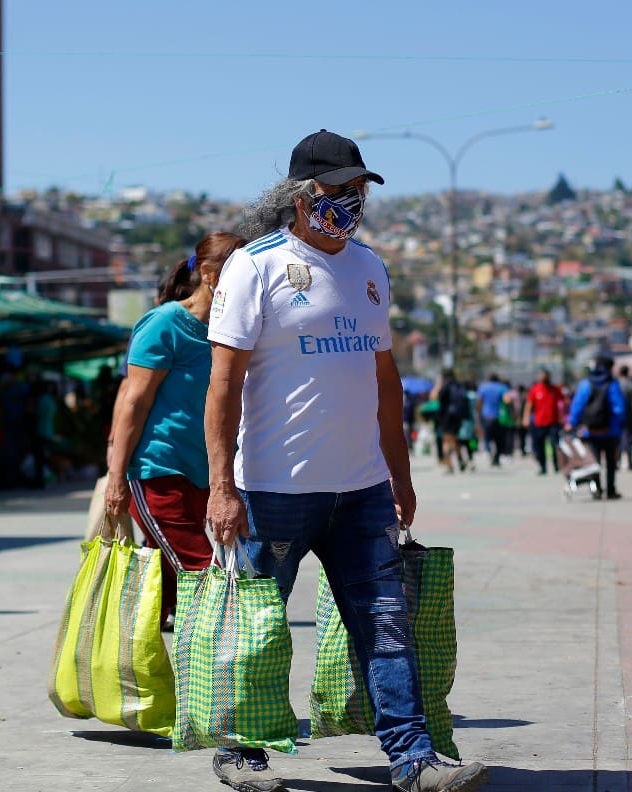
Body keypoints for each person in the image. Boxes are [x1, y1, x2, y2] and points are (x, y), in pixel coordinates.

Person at [205, 130, 487, 792]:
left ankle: (413, 758)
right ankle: (242, 750)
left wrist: (400, 476)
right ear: (302, 196)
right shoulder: (255, 266)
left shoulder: (369, 269)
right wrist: (221, 486)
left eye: (359, 190)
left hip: (361, 491)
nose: (352, 202)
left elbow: (385, 382)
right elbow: (223, 384)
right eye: (339, 190)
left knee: (388, 626)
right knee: (258, 632)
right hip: (272, 491)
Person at [104, 232, 246, 627]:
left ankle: (147, 626)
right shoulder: (165, 323)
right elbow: (133, 401)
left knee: (163, 565)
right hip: (159, 470)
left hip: (204, 473)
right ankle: (231, 640)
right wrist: (116, 476)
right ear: (209, 274)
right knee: (202, 570)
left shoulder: (232, 331)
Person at [566, 356, 627, 500]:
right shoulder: (612, 384)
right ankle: (610, 489)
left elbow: (577, 406)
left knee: (594, 462)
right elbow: (619, 408)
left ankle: (597, 489)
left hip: (590, 431)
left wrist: (572, 423)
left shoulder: (585, 384)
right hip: (611, 431)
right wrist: (617, 424)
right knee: (611, 462)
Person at [523, 368, 563, 476]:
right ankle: (542, 467)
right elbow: (529, 404)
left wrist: (563, 417)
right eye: (542, 375)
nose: (544, 377)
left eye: (546, 375)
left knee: (555, 445)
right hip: (539, 423)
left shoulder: (555, 389)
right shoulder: (535, 389)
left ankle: (557, 466)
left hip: (553, 423)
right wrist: (526, 418)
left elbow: (562, 403)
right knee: (539, 447)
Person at [434, 369, 469, 473]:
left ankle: (449, 465)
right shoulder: (459, 385)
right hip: (458, 417)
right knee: (454, 439)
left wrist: (438, 385)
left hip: (446, 417)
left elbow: (435, 397)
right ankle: (460, 459)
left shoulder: (445, 386)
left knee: (446, 441)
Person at [476, 372, 509, 466]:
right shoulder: (502, 387)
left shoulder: (483, 388)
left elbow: (479, 402)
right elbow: (507, 400)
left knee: (487, 438)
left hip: (486, 416)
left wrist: (478, 414)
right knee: (499, 439)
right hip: (499, 417)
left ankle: (489, 453)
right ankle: (496, 458)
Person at [617, 365, 632, 471]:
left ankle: (619, 460)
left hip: (617, 416)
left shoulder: (616, 384)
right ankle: (628, 460)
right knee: (629, 438)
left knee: (618, 438)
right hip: (629, 415)